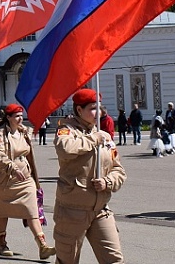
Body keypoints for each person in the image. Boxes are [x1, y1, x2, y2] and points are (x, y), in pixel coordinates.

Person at [54, 89, 126, 263]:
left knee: (114, 259)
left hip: (100, 209)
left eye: (100, 108)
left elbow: (119, 170)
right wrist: (94, 139)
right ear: (79, 110)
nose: (98, 113)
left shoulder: (105, 136)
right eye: (93, 108)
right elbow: (65, 149)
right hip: (72, 210)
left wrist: (108, 182)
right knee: (67, 260)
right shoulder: (66, 130)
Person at [0, 104, 55, 260]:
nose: (20, 119)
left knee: (32, 210)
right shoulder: (0, 135)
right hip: (5, 180)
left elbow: (29, 151)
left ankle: (42, 245)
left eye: (21, 116)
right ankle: (2, 243)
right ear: (8, 118)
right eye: (16, 116)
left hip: (25, 179)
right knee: (2, 211)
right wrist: (12, 168)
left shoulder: (24, 132)